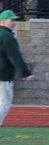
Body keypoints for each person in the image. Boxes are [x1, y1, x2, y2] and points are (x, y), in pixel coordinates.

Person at [0, 10, 35, 138]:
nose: (14, 22)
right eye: (11, 20)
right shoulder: (7, 37)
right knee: (5, 104)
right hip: (3, 75)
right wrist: (26, 73)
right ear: (3, 21)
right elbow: (15, 57)